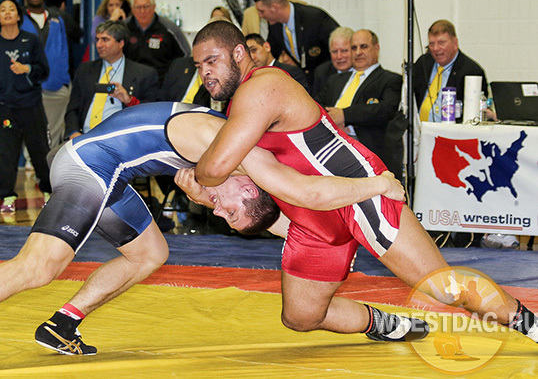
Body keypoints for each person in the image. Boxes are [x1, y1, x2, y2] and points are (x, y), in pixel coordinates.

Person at [191, 20, 538, 345]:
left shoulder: (262, 87)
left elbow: (215, 168)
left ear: (239, 53)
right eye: (198, 66)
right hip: (314, 211)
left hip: (358, 193)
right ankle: (384, 323)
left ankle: (532, 325)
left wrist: (182, 145)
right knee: (300, 316)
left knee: (443, 287)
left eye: (212, 61)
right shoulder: (241, 102)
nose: (205, 73)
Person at [0, 101, 404, 355]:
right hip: (89, 165)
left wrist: (323, 243)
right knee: (39, 266)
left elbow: (273, 216)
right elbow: (305, 194)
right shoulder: (223, 149)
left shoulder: (227, 157)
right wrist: (378, 184)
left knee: (150, 254)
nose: (217, 212)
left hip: (110, 170)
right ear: (247, 185)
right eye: (229, 211)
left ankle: (63, 323)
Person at [0, 0, 51, 212]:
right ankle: (7, 197)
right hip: (6, 107)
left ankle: (49, 191)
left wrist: (27, 68)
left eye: (12, 9)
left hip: (31, 106)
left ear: (19, 16)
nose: (7, 12)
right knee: (6, 154)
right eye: (3, 10)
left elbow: (44, 71)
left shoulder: (31, 41)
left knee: (40, 152)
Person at [314, 29, 403, 179]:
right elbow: (316, 105)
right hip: (330, 142)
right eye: (354, 48)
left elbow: (383, 111)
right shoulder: (336, 80)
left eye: (364, 47)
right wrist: (332, 121)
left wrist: (344, 116)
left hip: (364, 147)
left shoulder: (390, 79)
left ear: (376, 48)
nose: (358, 52)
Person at [64, 20, 159, 140]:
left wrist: (129, 100)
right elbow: (72, 108)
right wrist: (74, 133)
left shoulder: (144, 74)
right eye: (97, 39)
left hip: (118, 138)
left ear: (121, 43)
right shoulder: (85, 70)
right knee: (52, 156)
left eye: (105, 40)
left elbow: (151, 114)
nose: (99, 45)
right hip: (84, 136)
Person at [253, 0, 339, 86]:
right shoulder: (274, 25)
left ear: (275, 8)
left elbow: (339, 44)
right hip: (302, 80)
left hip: (326, 80)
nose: (260, 16)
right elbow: (272, 52)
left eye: (262, 11)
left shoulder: (314, 18)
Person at [21, 0, 71, 149]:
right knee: (30, 126)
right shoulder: (19, 20)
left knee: (55, 127)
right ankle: (31, 161)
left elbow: (64, 49)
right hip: (29, 85)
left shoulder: (57, 19)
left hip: (56, 85)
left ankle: (50, 161)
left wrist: (64, 80)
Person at [413, 19, 488, 123]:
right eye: (431, 44)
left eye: (441, 43)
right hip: (418, 132)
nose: (435, 48)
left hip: (450, 134)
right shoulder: (423, 63)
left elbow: (473, 116)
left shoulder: (471, 71)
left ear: (455, 43)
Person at [124, 0, 190, 87]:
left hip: (162, 87)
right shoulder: (123, 28)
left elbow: (186, 54)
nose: (142, 11)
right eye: (138, 7)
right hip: (131, 87)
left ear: (154, 7)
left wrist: (174, 80)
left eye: (146, 6)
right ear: (132, 9)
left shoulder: (169, 29)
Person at [245, 33, 309, 92]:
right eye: (248, 54)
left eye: (254, 50)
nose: (252, 57)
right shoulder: (252, 80)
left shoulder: (291, 72)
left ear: (267, 46)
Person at [45, 0, 84, 79]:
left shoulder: (41, 15)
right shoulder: (64, 16)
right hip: (62, 64)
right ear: (63, 4)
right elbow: (78, 34)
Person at [311, 26, 354, 98]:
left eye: (344, 51)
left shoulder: (362, 72)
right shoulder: (322, 72)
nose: (339, 56)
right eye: (334, 51)